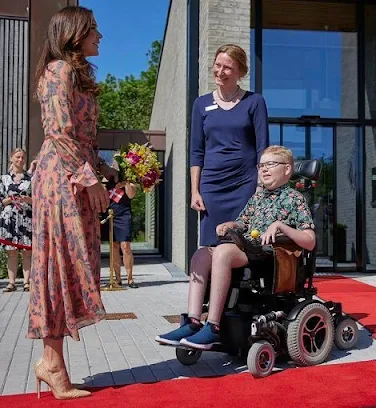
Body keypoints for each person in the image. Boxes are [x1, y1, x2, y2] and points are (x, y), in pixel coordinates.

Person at [28, 6, 118, 400]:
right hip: (58, 181)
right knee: (55, 265)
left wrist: (108, 171)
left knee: (65, 267)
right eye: (93, 30)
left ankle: (54, 364)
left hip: (75, 178)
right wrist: (90, 179)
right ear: (74, 33)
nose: (99, 36)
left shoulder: (75, 74)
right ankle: (51, 365)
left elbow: (82, 139)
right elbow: (59, 134)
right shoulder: (57, 70)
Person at [156, 146, 315, 350]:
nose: (264, 170)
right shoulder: (257, 198)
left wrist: (280, 226)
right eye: (262, 165)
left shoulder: (295, 199)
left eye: (271, 165)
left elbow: (309, 240)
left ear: (287, 170)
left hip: (272, 257)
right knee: (202, 254)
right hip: (248, 249)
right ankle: (193, 321)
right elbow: (243, 222)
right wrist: (231, 225)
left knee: (222, 252)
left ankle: (213, 326)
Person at [190, 44, 269, 248]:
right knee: (211, 245)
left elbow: (263, 147)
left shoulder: (255, 102)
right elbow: (197, 151)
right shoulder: (201, 104)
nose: (220, 71)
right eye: (218, 65)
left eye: (228, 68)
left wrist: (261, 186)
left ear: (240, 72)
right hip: (212, 186)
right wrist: (195, 191)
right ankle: (213, 281)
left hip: (245, 184)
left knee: (243, 243)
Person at [0, 148, 33, 292]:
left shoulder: (31, 178)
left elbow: (38, 200)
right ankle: (11, 283)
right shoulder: (3, 178)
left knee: (27, 252)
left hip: (26, 218)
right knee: (11, 252)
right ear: (11, 158)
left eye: (23, 158)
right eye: (17, 157)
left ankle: (27, 282)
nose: (20, 160)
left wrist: (28, 199)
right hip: (9, 219)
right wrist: (10, 199)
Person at [106, 179, 138, 288]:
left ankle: (130, 279)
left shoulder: (128, 177)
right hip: (110, 214)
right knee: (114, 246)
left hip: (124, 215)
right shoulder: (105, 176)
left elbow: (131, 195)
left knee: (125, 246)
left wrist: (127, 182)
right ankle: (118, 279)